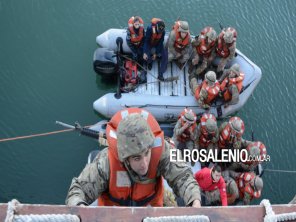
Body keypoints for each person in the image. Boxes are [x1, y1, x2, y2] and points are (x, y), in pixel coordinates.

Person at [66, 108, 201, 207]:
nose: (144, 164)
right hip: (114, 216)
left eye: (147, 153)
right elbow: (78, 190)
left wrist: (195, 200)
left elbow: (183, 176)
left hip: (151, 210)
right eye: (136, 158)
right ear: (125, 158)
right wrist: (80, 209)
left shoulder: (161, 151)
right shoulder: (106, 161)